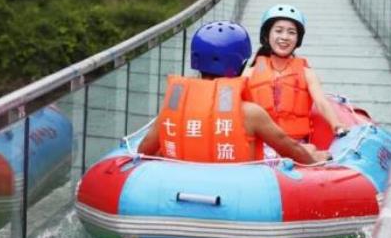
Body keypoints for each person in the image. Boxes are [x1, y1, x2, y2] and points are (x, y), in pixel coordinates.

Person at [137, 21, 329, 164]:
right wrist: (315, 160)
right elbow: (291, 148)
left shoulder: (174, 105)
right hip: (239, 190)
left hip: (181, 182)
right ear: (241, 63)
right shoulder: (251, 113)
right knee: (309, 149)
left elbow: (144, 150)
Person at [243, 4, 346, 141]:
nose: (285, 37)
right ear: (267, 35)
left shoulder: (307, 73)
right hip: (262, 144)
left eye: (291, 32)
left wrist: (337, 125)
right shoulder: (249, 73)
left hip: (296, 145)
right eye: (278, 31)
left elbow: (321, 102)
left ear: (298, 39)